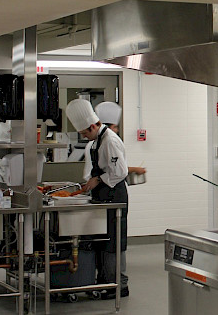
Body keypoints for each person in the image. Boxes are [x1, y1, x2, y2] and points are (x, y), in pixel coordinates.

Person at [66, 99, 130, 298]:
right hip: (104, 196)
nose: (84, 136)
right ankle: (105, 281)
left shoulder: (110, 140)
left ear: (93, 126)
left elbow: (120, 171)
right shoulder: (97, 141)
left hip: (114, 196)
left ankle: (119, 286)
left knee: (113, 242)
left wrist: (98, 180)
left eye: (85, 133)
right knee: (103, 240)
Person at [95, 101, 146, 177]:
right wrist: (136, 169)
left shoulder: (102, 141)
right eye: (115, 127)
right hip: (110, 185)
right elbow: (118, 170)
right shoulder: (111, 141)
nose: (117, 130)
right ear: (108, 128)